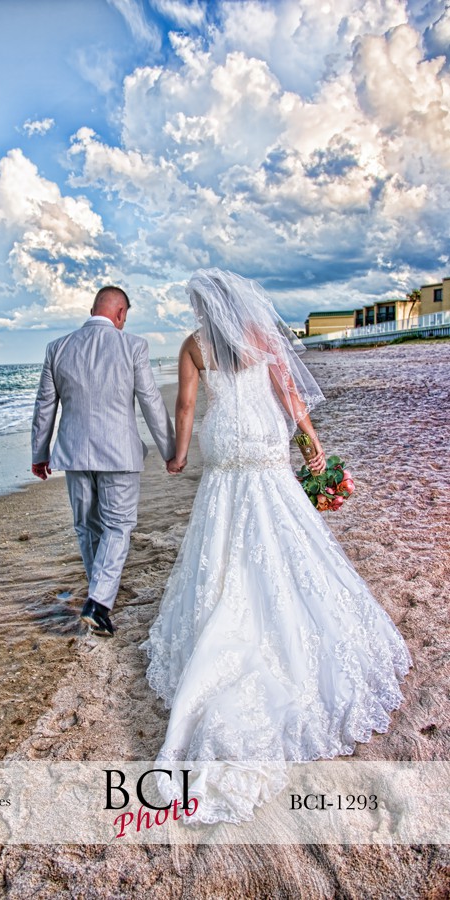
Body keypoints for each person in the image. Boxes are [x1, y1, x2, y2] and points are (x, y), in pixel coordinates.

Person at [142, 268, 412, 823]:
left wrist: (177, 456)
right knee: (286, 523)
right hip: (263, 443)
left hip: (226, 449)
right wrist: (312, 445)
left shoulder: (195, 345)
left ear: (202, 306)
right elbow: (289, 393)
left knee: (219, 532)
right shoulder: (261, 336)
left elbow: (188, 409)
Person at [31, 285, 176, 637]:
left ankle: (97, 593)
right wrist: (171, 450)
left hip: (74, 453)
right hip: (118, 452)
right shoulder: (133, 345)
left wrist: (39, 453)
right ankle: (98, 602)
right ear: (121, 313)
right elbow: (150, 402)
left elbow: (44, 406)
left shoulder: (58, 347)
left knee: (87, 524)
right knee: (118, 524)